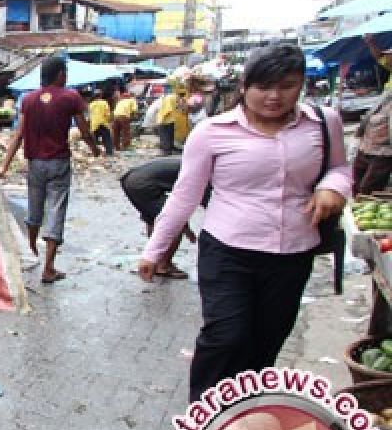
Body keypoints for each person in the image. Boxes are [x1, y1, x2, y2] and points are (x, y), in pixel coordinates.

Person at [137, 43, 350, 402]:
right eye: (263, 87)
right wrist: (154, 250)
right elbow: (185, 195)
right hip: (228, 250)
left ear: (301, 85)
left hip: (293, 252)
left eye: (286, 86)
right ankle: (204, 419)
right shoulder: (212, 132)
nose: (273, 96)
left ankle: (247, 414)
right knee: (227, 336)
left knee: (266, 342)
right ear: (244, 87)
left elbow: (341, 168)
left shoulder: (324, 123)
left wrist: (333, 187)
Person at [0, 57, 102, 283]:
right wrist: (94, 149)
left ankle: (31, 251)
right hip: (58, 163)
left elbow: (19, 134)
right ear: (60, 74)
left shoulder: (28, 100)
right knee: (56, 210)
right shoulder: (70, 97)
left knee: (34, 209)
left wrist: (4, 164)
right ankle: (48, 268)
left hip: (34, 163)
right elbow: (83, 130)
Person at [120, 157, 207, 279]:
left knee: (153, 219)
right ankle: (163, 265)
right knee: (172, 223)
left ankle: (156, 260)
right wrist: (186, 227)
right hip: (143, 184)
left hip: (130, 179)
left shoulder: (194, 163)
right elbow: (202, 202)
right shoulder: (204, 174)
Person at [354, 90, 392, 195]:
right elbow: (366, 120)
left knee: (367, 188)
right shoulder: (384, 98)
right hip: (364, 149)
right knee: (355, 185)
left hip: (382, 154)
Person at [154, 86, 188, 155]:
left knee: (164, 135)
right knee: (170, 135)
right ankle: (170, 148)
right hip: (172, 119)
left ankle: (166, 151)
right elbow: (180, 108)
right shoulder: (176, 98)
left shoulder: (169, 97)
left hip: (165, 120)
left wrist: (162, 119)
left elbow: (167, 109)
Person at [88, 90, 114, 157]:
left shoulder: (91, 104)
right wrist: (109, 120)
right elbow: (107, 114)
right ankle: (109, 153)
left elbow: (89, 115)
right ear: (100, 95)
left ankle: (96, 153)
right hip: (103, 123)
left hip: (94, 124)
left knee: (95, 140)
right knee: (107, 138)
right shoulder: (104, 102)